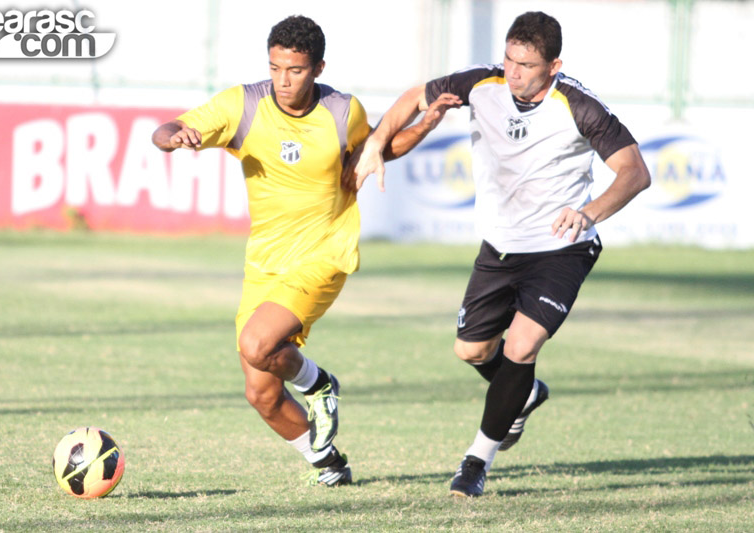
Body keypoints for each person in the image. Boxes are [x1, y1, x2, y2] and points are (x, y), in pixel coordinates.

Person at [345, 11, 651, 496]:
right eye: (508, 59)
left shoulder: (580, 105)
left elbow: (635, 171)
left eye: (526, 65)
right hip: (500, 245)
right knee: (471, 350)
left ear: (554, 65)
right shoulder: (481, 85)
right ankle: (523, 393)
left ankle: (475, 462)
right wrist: (378, 142)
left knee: (521, 347)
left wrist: (589, 213)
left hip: (561, 248)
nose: (512, 72)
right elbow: (413, 96)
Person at [152, 15, 448, 487]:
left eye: (295, 70)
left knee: (257, 343)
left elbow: (379, 149)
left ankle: (318, 384)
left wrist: (427, 122)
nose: (283, 81)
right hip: (264, 264)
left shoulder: (340, 111)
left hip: (324, 253)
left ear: (318, 68)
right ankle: (329, 465)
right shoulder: (242, 105)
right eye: (275, 69)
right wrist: (172, 138)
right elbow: (168, 128)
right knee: (262, 393)